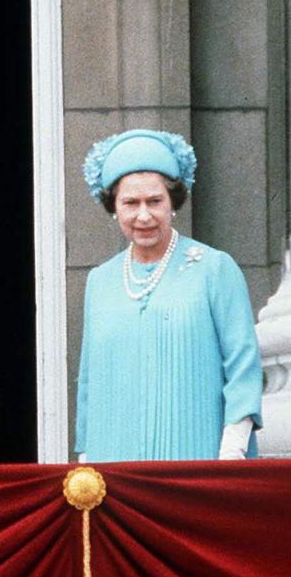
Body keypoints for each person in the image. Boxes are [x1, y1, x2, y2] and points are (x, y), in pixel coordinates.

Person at [76, 129, 263, 461]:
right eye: (131, 203)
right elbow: (90, 384)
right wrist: (87, 460)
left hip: (198, 459)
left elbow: (243, 368)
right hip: (115, 461)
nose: (143, 215)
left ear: (173, 202)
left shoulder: (214, 268)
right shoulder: (100, 280)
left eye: (155, 201)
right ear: (113, 207)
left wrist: (231, 451)